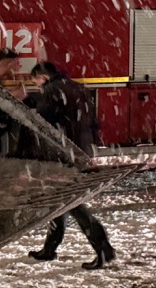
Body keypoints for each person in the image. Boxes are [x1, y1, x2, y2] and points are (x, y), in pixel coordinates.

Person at [24, 61, 116, 270]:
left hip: (65, 152)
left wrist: (30, 104)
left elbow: (42, 120)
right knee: (60, 199)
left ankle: (103, 248)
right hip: (81, 148)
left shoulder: (52, 90)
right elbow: (92, 119)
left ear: (43, 77)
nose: (38, 86)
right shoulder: (76, 86)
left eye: (36, 82)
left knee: (72, 202)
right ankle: (49, 248)